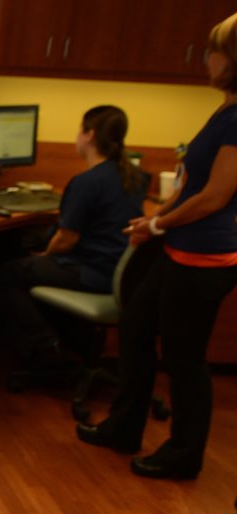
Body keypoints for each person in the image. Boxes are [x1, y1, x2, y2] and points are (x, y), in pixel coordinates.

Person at [77, 13, 237, 480]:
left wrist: (161, 223)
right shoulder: (224, 110)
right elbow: (192, 184)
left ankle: (184, 454)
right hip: (179, 250)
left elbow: (216, 196)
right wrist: (153, 219)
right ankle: (124, 427)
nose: (207, 57)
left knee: (185, 360)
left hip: (205, 260)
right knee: (135, 329)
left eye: (215, 50)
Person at [0, 106, 145, 373]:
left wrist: (44, 256)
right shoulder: (132, 175)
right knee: (30, 254)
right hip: (119, 269)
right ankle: (68, 342)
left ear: (90, 135)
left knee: (8, 272)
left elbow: (66, 240)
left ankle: (46, 348)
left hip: (92, 271)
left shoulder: (87, 182)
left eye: (80, 129)